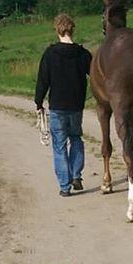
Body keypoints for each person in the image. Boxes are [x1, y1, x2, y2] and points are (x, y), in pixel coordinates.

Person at [34, 13, 92, 197]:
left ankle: (65, 187)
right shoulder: (83, 54)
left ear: (57, 30)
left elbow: (43, 80)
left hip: (58, 106)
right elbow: (96, 76)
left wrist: (39, 102)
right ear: (72, 29)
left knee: (59, 145)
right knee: (76, 138)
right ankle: (76, 175)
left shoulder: (50, 54)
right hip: (76, 105)